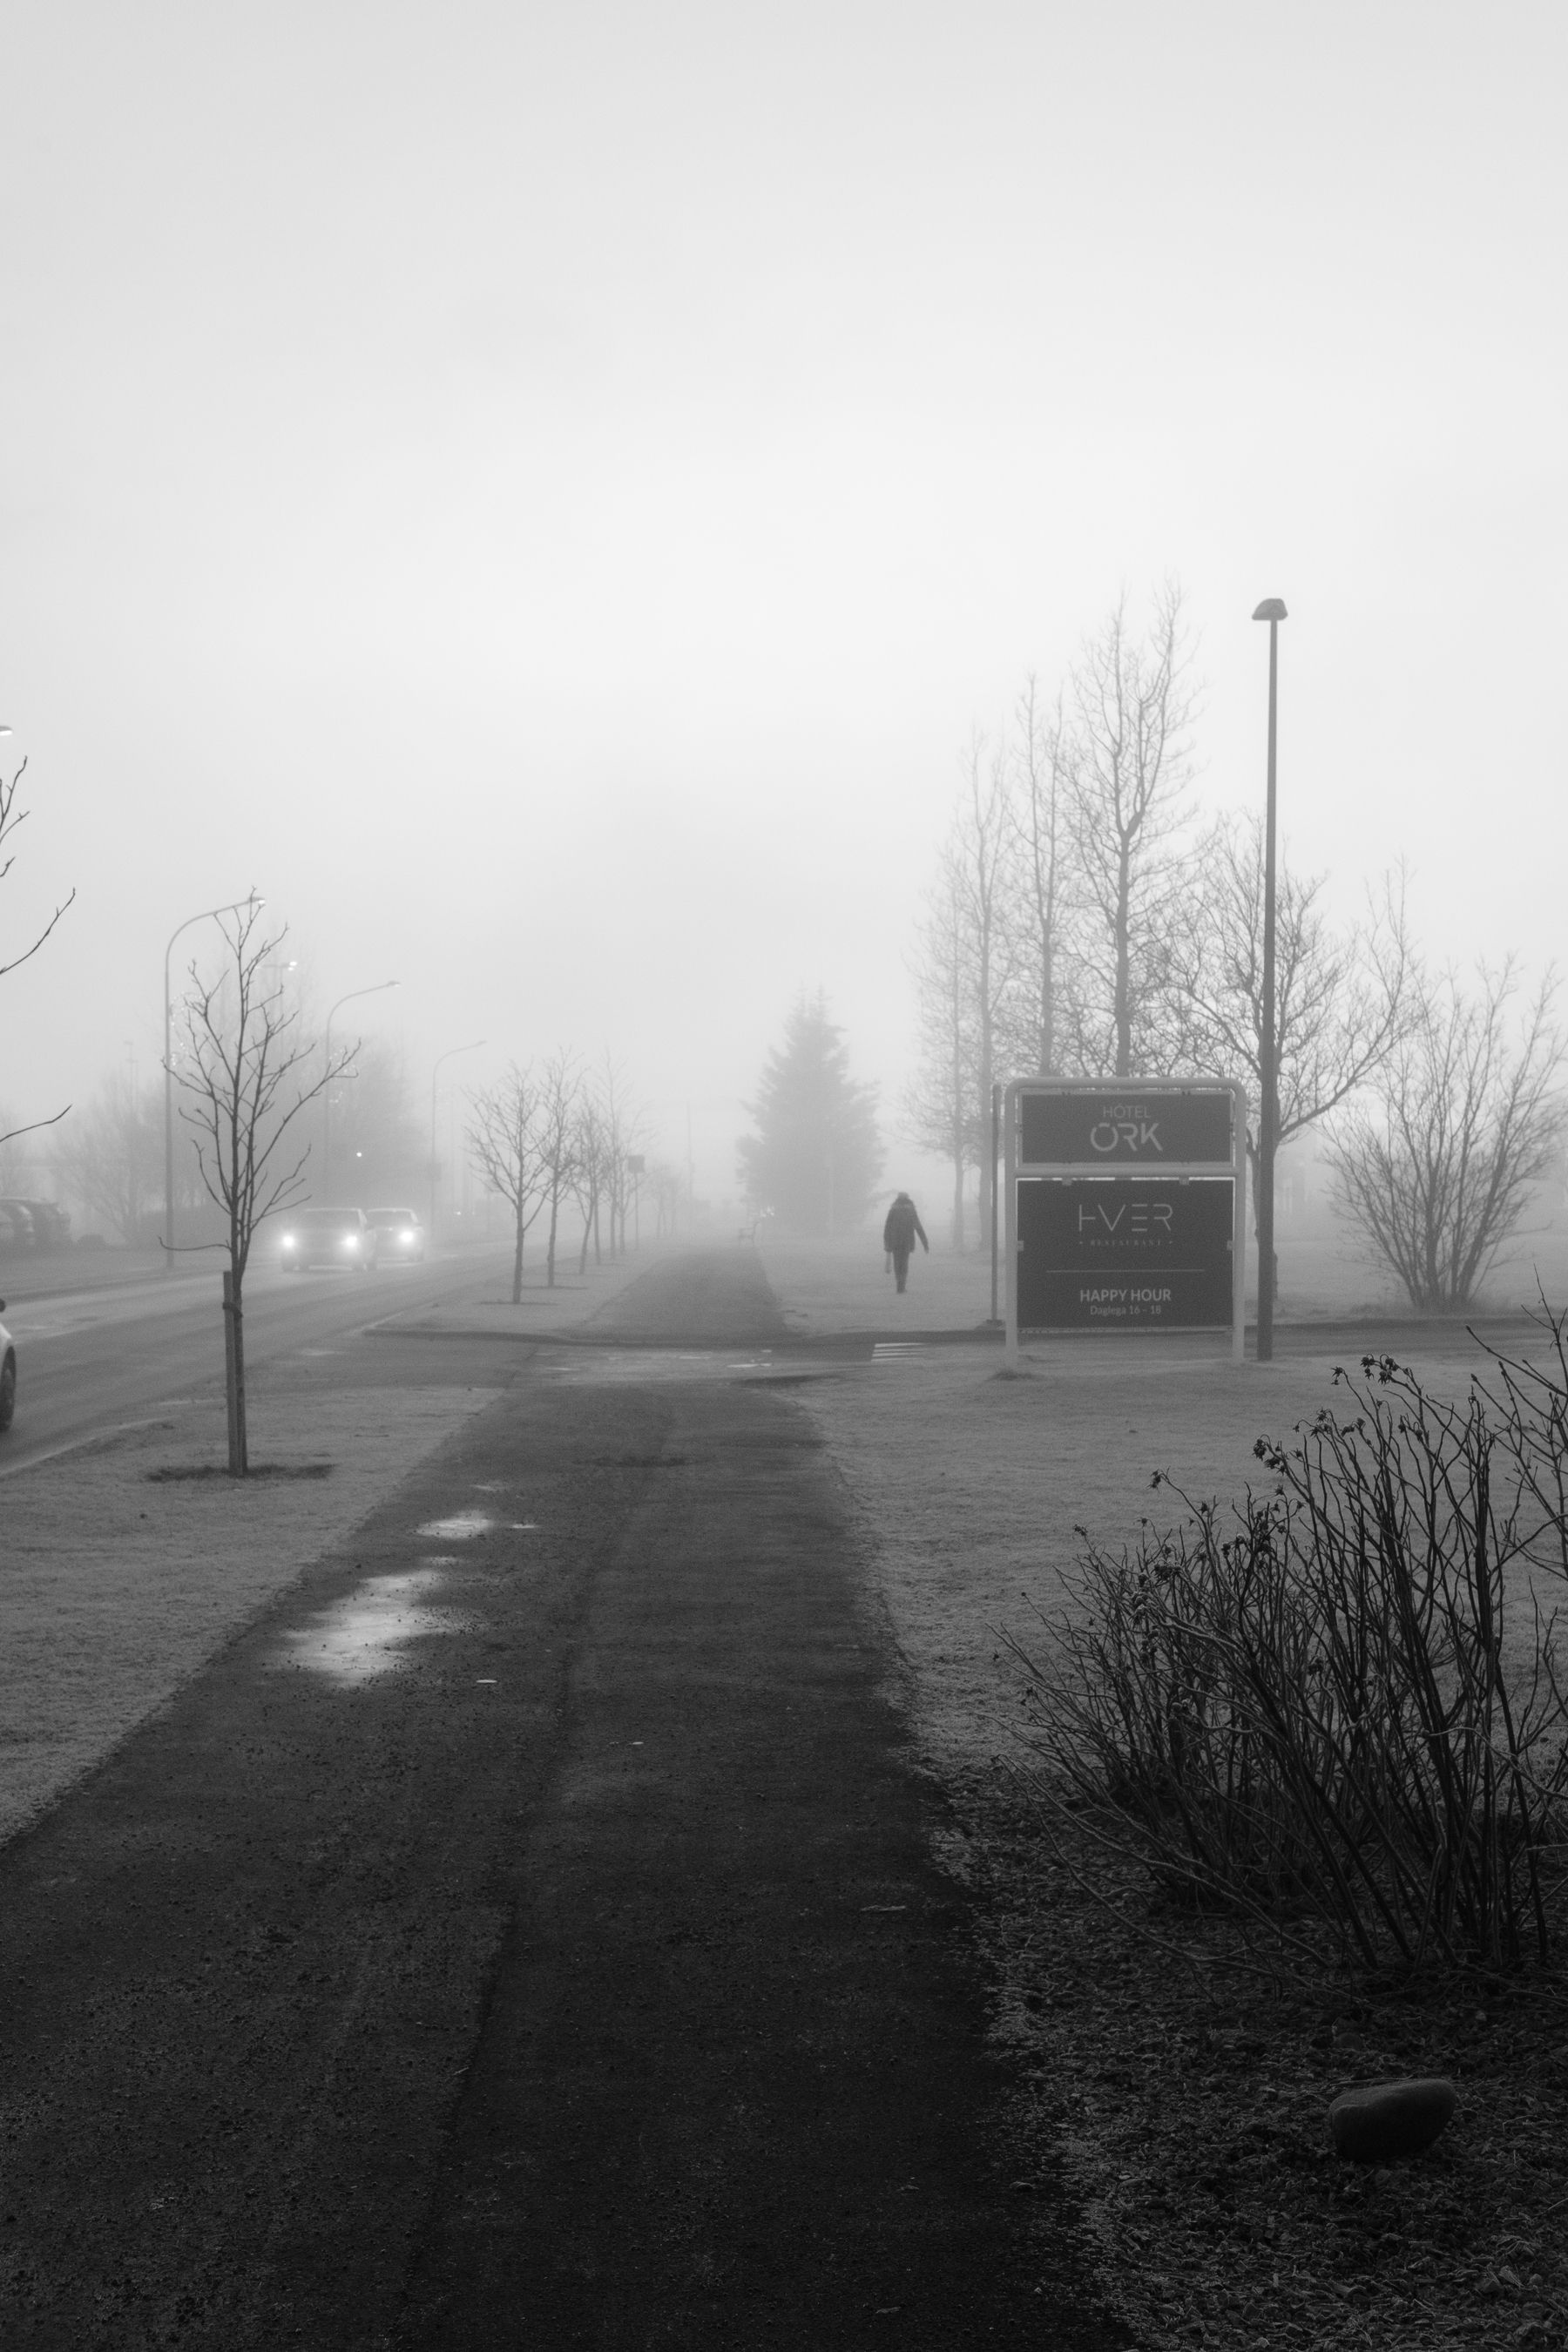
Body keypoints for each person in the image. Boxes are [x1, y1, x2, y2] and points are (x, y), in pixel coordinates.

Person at [882, 1192, 929, 1294]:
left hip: (894, 1241)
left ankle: (899, 1284)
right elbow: (918, 1226)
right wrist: (925, 1242)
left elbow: (887, 1227)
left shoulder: (894, 1208)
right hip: (907, 1240)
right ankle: (902, 1285)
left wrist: (887, 1243)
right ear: (907, 1198)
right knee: (904, 1263)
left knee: (897, 1263)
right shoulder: (910, 1209)